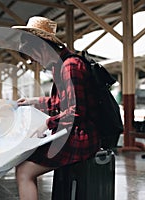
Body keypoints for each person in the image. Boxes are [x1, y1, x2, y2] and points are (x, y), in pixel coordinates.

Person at [12, 16, 101, 200]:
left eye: (33, 55)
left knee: (24, 172)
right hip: (70, 132)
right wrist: (32, 101)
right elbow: (59, 102)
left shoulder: (70, 67)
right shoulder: (61, 66)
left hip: (81, 137)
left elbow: (76, 111)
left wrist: (46, 123)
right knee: (22, 162)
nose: (35, 61)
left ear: (42, 46)